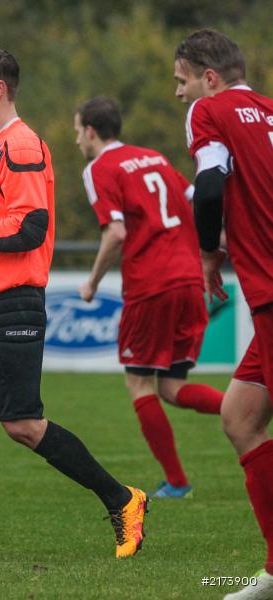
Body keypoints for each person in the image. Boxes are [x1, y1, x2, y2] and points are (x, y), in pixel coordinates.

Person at [0, 47, 147, 559]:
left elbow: (30, 229)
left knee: (22, 425)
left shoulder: (22, 146)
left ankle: (123, 499)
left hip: (10, 303)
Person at [74, 96, 224, 499]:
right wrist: (220, 252)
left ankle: (177, 482)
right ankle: (246, 410)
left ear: (90, 130)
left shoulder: (99, 168)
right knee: (171, 387)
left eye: (77, 132)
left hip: (150, 285)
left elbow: (117, 233)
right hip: (190, 279)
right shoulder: (153, 158)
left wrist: (90, 283)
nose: (76, 141)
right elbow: (200, 203)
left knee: (140, 383)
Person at [174, 29, 273, 599]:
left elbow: (209, 185)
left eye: (181, 80)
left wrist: (209, 250)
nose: (180, 94)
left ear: (208, 78)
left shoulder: (212, 110)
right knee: (239, 415)